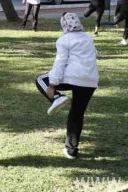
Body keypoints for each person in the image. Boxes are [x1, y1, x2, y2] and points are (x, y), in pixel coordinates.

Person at [35, 13, 98, 159]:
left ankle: (57, 98)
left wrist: (52, 85)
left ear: (64, 24)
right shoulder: (88, 37)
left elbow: (60, 62)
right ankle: (71, 150)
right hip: (90, 80)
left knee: (40, 79)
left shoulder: (63, 40)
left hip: (72, 77)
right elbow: (93, 54)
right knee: (77, 113)